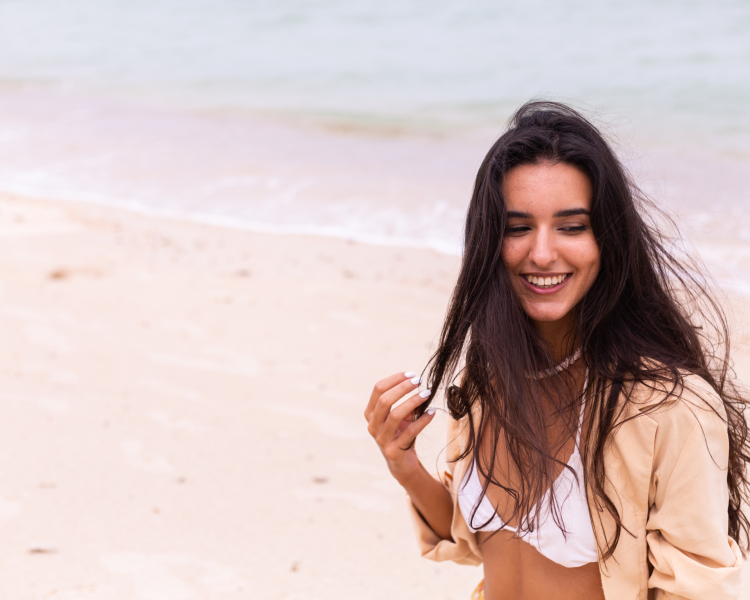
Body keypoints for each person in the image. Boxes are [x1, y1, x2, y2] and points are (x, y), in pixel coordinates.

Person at [364, 101, 750, 600]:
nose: (542, 253)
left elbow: (699, 591)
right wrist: (404, 464)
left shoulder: (670, 406)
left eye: (572, 227)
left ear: (607, 239)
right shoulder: (487, 379)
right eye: (518, 227)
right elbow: (478, 542)